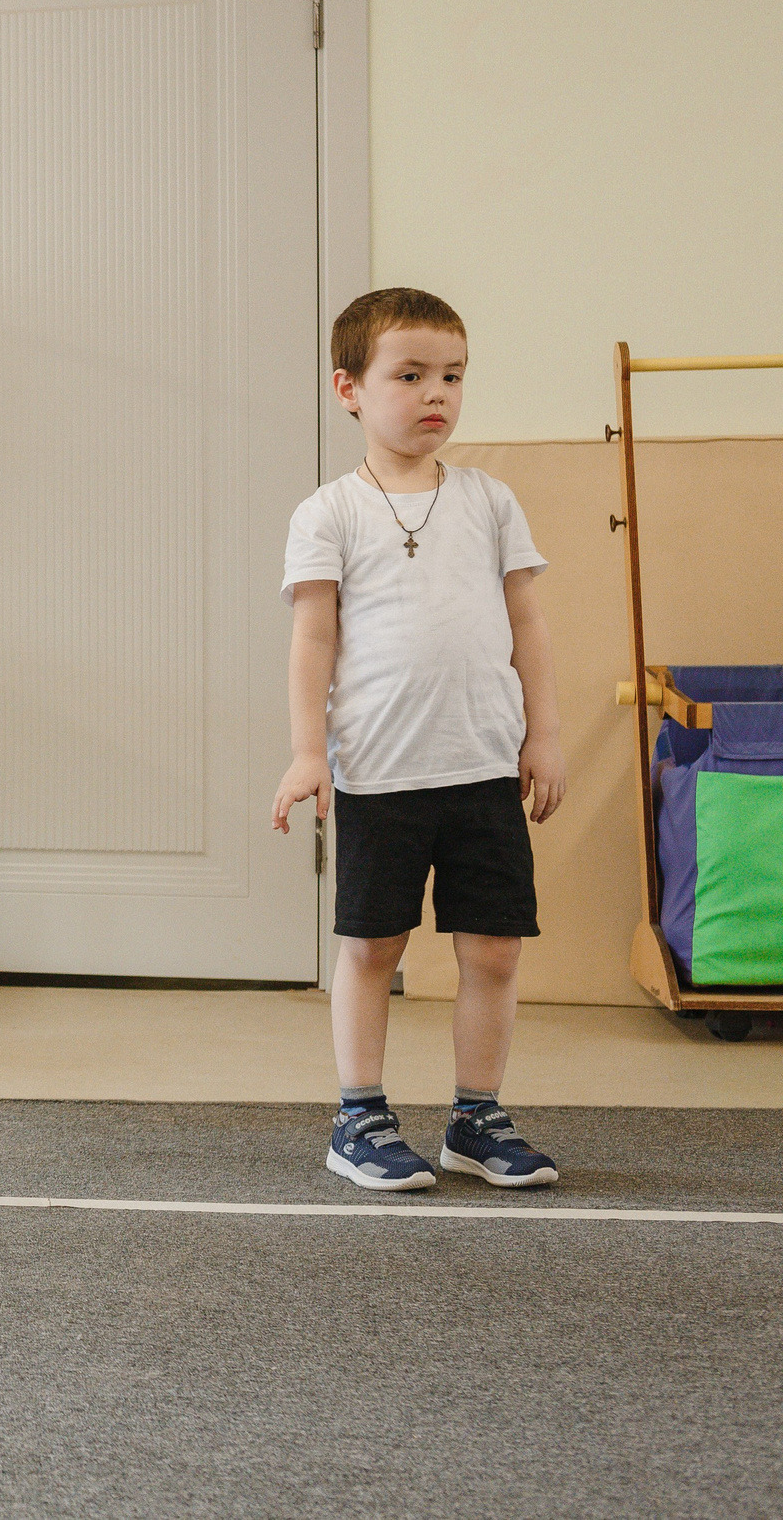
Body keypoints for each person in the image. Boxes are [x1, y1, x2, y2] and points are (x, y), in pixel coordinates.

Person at [273, 290, 564, 1192]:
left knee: (494, 949)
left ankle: (477, 1116)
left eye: (452, 376)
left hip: (481, 767)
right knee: (373, 944)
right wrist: (307, 749)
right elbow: (312, 641)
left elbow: (528, 623)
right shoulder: (330, 513)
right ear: (349, 388)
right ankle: (359, 1116)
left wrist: (542, 734)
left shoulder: (488, 500)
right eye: (410, 375)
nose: (436, 393)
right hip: (382, 773)